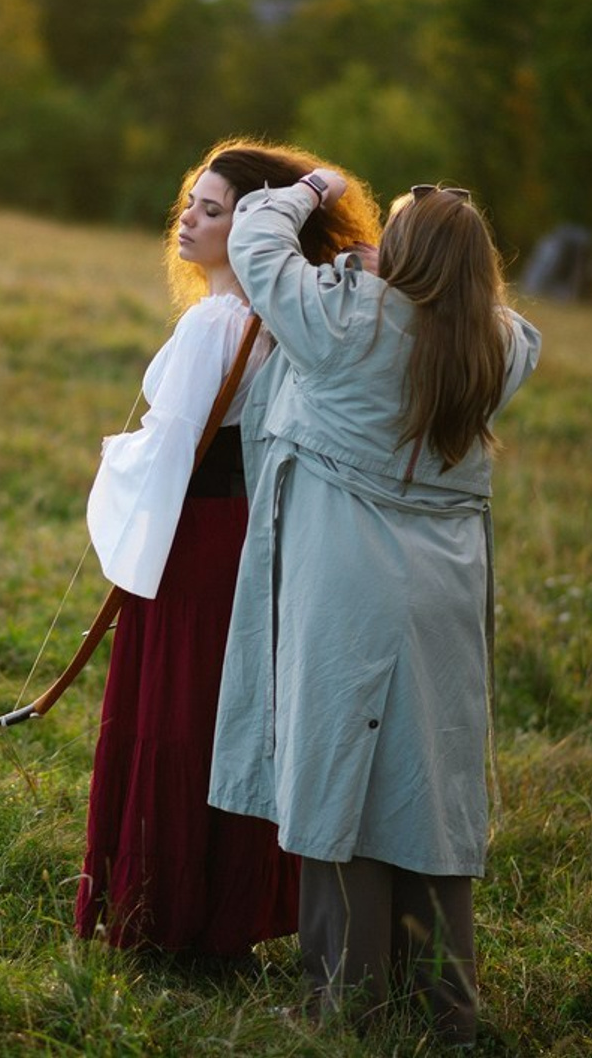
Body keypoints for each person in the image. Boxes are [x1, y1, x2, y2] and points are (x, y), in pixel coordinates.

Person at [208, 175, 541, 1040]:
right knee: (426, 785)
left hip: (350, 581)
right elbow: (514, 327)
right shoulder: (496, 346)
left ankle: (344, 1006)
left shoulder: (347, 321)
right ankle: (441, 1010)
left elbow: (254, 238)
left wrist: (313, 188)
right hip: (445, 592)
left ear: (403, 261)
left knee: (339, 782)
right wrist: (393, 268)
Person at [75, 140, 381, 962]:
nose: (189, 218)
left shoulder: (219, 321)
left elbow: (170, 450)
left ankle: (163, 918)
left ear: (251, 228)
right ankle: (219, 915)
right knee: (228, 719)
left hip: (199, 542)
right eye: (192, 202)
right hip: (252, 536)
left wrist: (115, 457)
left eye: (212, 210)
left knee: (179, 712)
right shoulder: (292, 316)